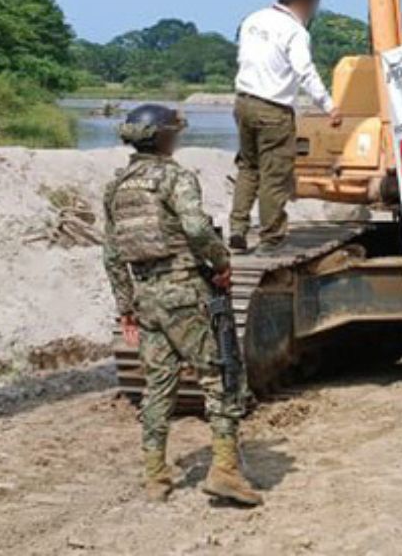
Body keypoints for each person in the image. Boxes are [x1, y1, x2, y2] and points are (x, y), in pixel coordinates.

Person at [102, 104, 262, 506]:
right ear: (165, 137)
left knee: (158, 385)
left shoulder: (118, 187)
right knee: (220, 375)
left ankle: (155, 476)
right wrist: (222, 263)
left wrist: (126, 306)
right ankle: (224, 471)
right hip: (184, 292)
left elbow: (112, 254)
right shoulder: (174, 177)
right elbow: (195, 227)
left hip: (147, 297)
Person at [229, 0, 343, 254]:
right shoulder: (295, 31)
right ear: (304, 3)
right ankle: (271, 238)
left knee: (248, 167)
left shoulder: (253, 20)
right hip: (273, 109)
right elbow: (305, 72)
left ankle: (237, 229)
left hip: (243, 102)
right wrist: (329, 105)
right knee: (274, 175)